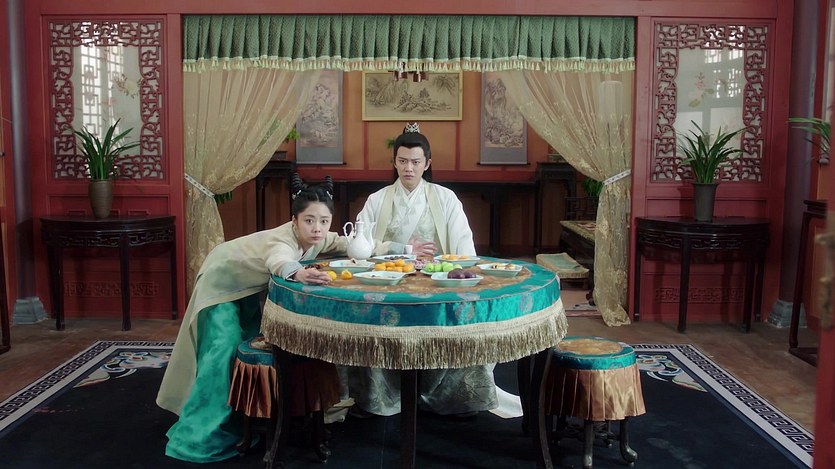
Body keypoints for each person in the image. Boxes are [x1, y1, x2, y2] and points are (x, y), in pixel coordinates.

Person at [156, 176, 346, 463]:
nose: (317, 228)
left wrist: (399, 248)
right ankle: (201, 433)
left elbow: (346, 243)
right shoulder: (282, 240)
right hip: (220, 282)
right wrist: (298, 272)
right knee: (223, 350)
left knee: (247, 342)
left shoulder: (317, 237)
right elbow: (279, 260)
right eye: (309, 220)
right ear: (294, 221)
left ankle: (245, 415)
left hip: (244, 287)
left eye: (324, 221)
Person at [340, 123, 498, 417]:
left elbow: (465, 250)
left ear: (427, 163)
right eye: (402, 161)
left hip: (436, 284)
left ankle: (456, 397)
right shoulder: (377, 200)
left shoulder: (445, 198)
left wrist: (447, 268)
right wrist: (401, 250)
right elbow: (359, 246)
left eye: (415, 162)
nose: (408, 168)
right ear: (394, 162)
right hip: (387, 283)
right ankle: (378, 396)